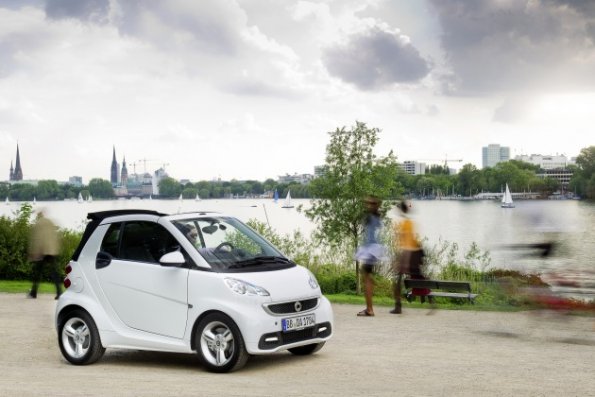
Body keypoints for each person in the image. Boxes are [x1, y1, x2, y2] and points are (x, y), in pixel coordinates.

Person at [390, 200, 427, 314]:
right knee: (417, 279)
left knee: (398, 281)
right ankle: (400, 305)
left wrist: (403, 262)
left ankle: (398, 306)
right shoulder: (407, 222)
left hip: (409, 255)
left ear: (401, 210)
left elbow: (408, 243)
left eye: (398, 209)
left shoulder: (406, 223)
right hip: (414, 254)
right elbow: (412, 241)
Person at [355, 196, 385, 317]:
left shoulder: (371, 217)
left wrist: (370, 202)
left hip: (370, 249)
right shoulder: (376, 216)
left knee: (366, 278)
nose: (367, 205)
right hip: (373, 248)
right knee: (367, 276)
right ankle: (369, 307)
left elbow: (370, 202)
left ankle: (369, 309)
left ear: (373, 205)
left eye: (370, 204)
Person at [27, 209, 62, 299]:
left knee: (37, 272)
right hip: (51, 251)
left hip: (43, 251)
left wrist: (35, 252)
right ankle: (59, 292)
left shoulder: (38, 224)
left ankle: (33, 293)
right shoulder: (50, 222)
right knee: (54, 272)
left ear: (38, 216)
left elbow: (38, 239)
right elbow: (55, 235)